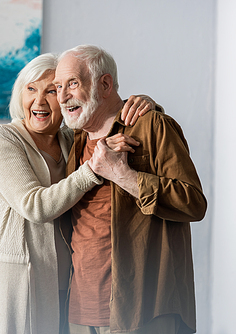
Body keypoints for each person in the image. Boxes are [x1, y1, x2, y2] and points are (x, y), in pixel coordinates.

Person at [0, 52, 155, 334]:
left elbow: (105, 111)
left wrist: (148, 103)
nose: (39, 101)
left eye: (52, 90)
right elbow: (35, 206)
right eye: (31, 89)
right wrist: (93, 169)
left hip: (70, 282)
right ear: (19, 95)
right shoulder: (2, 138)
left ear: (65, 98)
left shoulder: (70, 139)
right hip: (21, 280)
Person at [53, 45, 207, 334]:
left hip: (144, 308)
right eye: (58, 86)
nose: (62, 97)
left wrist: (125, 176)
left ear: (106, 84)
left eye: (72, 83)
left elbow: (194, 203)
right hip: (80, 311)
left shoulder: (152, 126)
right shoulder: (70, 139)